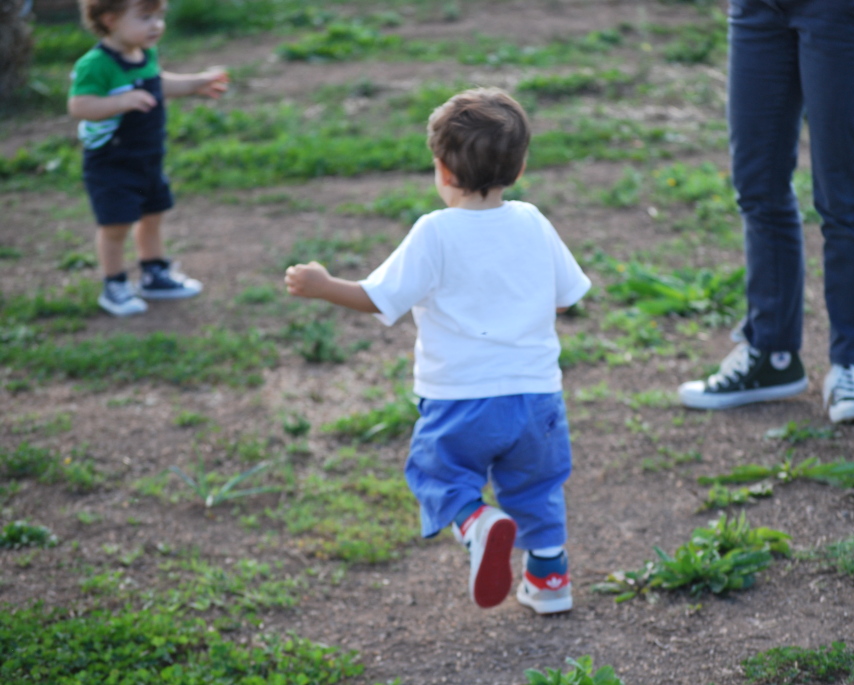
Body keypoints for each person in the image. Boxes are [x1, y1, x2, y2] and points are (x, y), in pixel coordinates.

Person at [285, 88, 591, 614]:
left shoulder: (435, 232)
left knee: (438, 475)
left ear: (443, 171)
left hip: (460, 398)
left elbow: (377, 298)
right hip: (536, 396)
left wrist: (323, 283)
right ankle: (549, 582)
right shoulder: (534, 222)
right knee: (539, 486)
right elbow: (565, 301)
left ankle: (477, 522)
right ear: (518, 170)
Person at [678, 0, 854, 424]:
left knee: (845, 194)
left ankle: (849, 367)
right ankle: (772, 354)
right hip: (758, 9)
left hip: (846, 11)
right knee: (757, 186)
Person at [68, 0, 228, 317]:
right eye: (145, 17)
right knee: (116, 225)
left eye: (159, 17)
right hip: (112, 163)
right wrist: (121, 101)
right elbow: (80, 105)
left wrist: (197, 82)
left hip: (147, 159)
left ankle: (154, 274)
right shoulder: (96, 64)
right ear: (110, 19)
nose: (156, 25)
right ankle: (114, 285)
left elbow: (158, 83)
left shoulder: (144, 53)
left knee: (153, 215)